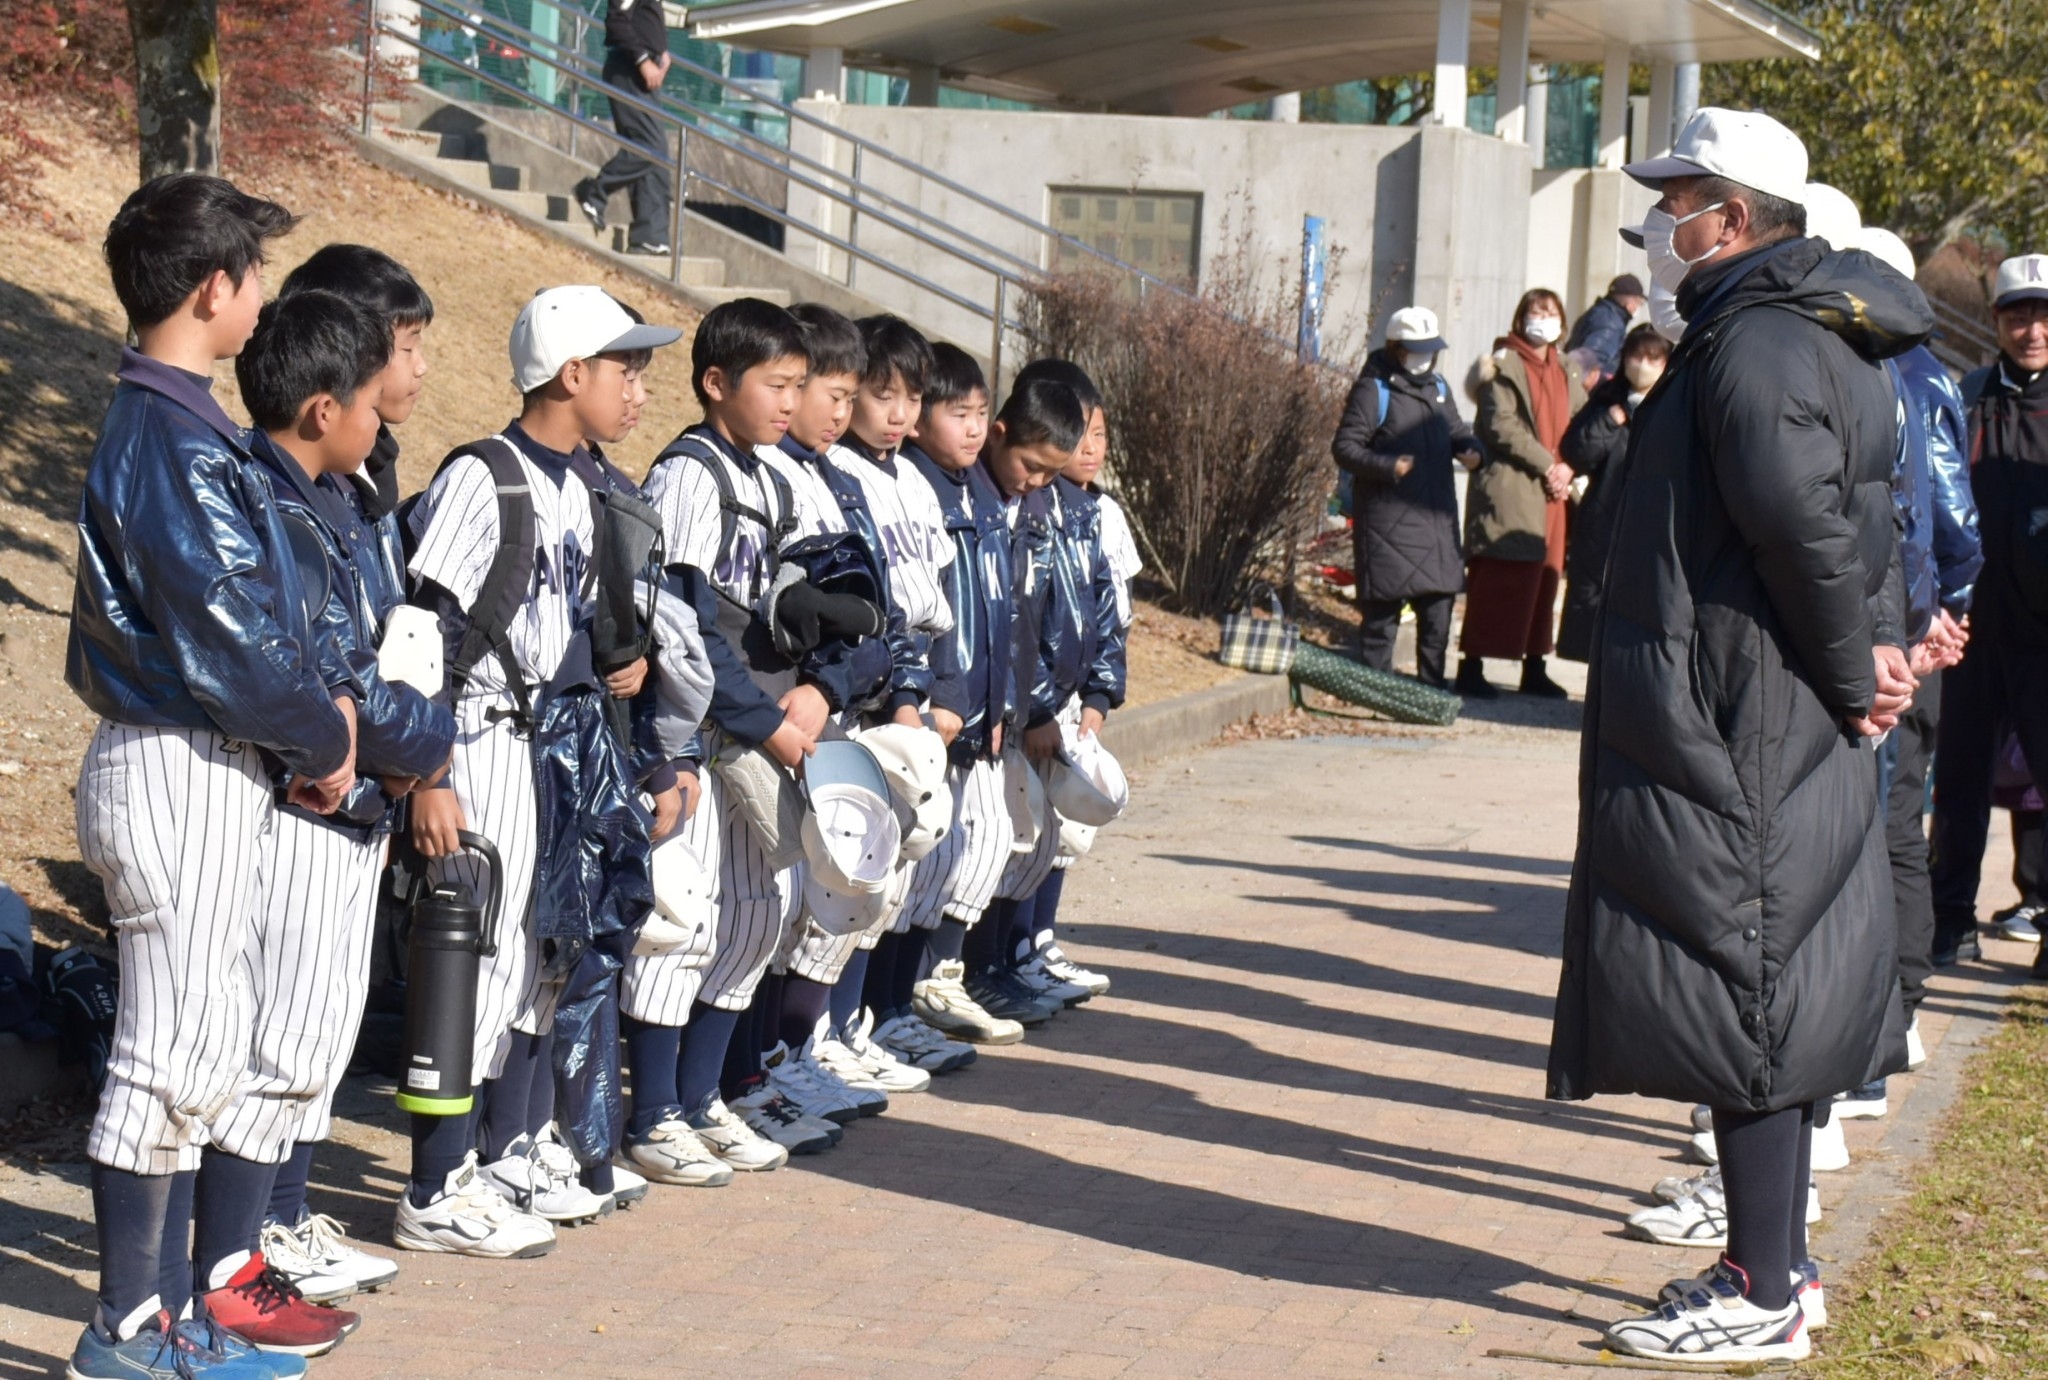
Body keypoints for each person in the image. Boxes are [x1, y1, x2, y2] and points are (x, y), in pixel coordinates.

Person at [1550, 107, 1929, 1366]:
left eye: (1683, 198)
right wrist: (1864, 661)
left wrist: (1845, 673)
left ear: (1738, 219)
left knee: (1746, 990)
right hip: (1764, 703)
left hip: (1744, 712)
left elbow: (1799, 524)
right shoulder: (1787, 332)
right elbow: (1843, 527)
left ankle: (1764, 1286)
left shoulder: (1756, 341)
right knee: (1756, 984)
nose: (1663, 220)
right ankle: (1774, 1265)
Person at [67, 173, 352, 1380]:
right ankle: (125, 1326)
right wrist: (328, 735)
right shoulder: (167, 430)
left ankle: (174, 1313)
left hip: (205, 760)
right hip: (174, 756)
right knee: (172, 1051)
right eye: (253, 278)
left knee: (208, 1042)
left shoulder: (182, 422)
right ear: (210, 288)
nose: (261, 301)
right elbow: (227, 637)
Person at [193, 293, 455, 1355]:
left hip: (353, 800)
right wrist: (419, 743)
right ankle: (227, 1272)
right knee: (278, 1045)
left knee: (307, 1043)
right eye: (368, 389)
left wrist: (402, 737)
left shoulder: (336, 500)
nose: (383, 412)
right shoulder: (278, 503)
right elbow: (325, 680)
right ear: (318, 406)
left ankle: (240, 1264)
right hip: (308, 804)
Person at [394, 285, 680, 1256]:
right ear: (570, 374)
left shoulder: (578, 485)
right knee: (468, 970)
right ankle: (434, 1188)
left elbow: (560, 632)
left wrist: (615, 665)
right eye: (624, 367)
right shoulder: (489, 476)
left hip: (552, 744)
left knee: (534, 964)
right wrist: (428, 771)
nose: (639, 388)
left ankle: (501, 1158)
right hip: (477, 740)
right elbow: (420, 630)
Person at [256, 244, 444, 1298]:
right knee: (284, 1018)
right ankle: (253, 1231)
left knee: (324, 1018)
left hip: (370, 782)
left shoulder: (370, 476)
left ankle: (283, 1210)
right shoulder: (293, 483)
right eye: (404, 348)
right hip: (310, 790)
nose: (415, 371)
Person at [894, 345, 1028, 1050]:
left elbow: (998, 612)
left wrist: (998, 705)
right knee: (916, 866)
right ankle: (896, 1005)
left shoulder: (972, 487)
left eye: (981, 413)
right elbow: (933, 615)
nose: (974, 429)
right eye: (958, 413)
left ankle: (930, 983)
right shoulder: (921, 485)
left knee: (973, 849)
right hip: (930, 709)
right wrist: (942, 696)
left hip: (975, 709)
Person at [1929, 252, 2048, 973]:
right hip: (1970, 632)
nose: (2031, 328)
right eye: (2017, 314)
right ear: (1996, 321)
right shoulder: (1967, 393)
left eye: (2042, 314)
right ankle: (1949, 919)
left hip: (2044, 637)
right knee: (1959, 784)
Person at [1330, 305, 1482, 688]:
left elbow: (1456, 430)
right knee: (1382, 618)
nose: (1425, 357)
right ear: (1396, 348)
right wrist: (1387, 466)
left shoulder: (1438, 387)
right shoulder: (1373, 389)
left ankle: (1431, 692)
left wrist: (1472, 448)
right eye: (1417, 349)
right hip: (1386, 523)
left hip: (1436, 521)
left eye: (1430, 348)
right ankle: (1377, 690)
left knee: (1439, 613)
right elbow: (1345, 447)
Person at [1458, 288, 1585, 699]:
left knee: (1546, 580)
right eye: (1535, 311)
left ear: (1562, 323)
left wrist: (1569, 465)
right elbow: (1500, 425)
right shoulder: (1502, 363)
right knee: (1498, 575)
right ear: (1519, 318)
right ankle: (1472, 664)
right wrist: (1549, 465)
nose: (1542, 318)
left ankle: (1535, 665)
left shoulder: (1566, 367)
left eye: (1550, 312)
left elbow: (1582, 421)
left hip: (1555, 492)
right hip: (1514, 486)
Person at [1555, 324, 1670, 663]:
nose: (1643, 365)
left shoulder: (1673, 404)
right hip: (1605, 514)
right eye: (1636, 356)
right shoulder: (1606, 400)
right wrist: (1609, 421)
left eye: (1653, 358)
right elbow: (1575, 451)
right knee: (1592, 595)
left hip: (1656, 520)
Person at [572, 0, 675, 256]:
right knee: (650, 147)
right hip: (628, 69)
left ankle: (650, 236)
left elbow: (644, 20)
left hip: (641, 72)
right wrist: (643, 60)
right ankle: (594, 191)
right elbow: (616, 20)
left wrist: (661, 54)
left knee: (655, 155)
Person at [1563, 273, 1646, 380]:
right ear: (1629, 301)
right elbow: (1591, 358)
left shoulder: (1598, 312)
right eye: (1639, 302)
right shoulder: (1611, 323)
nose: (1638, 307)